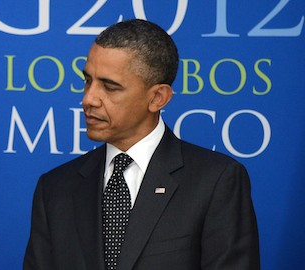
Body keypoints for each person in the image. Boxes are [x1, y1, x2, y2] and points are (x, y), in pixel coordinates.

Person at [23, 19, 260, 270]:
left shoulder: (215, 181)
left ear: (158, 98)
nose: (88, 99)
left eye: (110, 87)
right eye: (87, 81)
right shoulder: (54, 188)